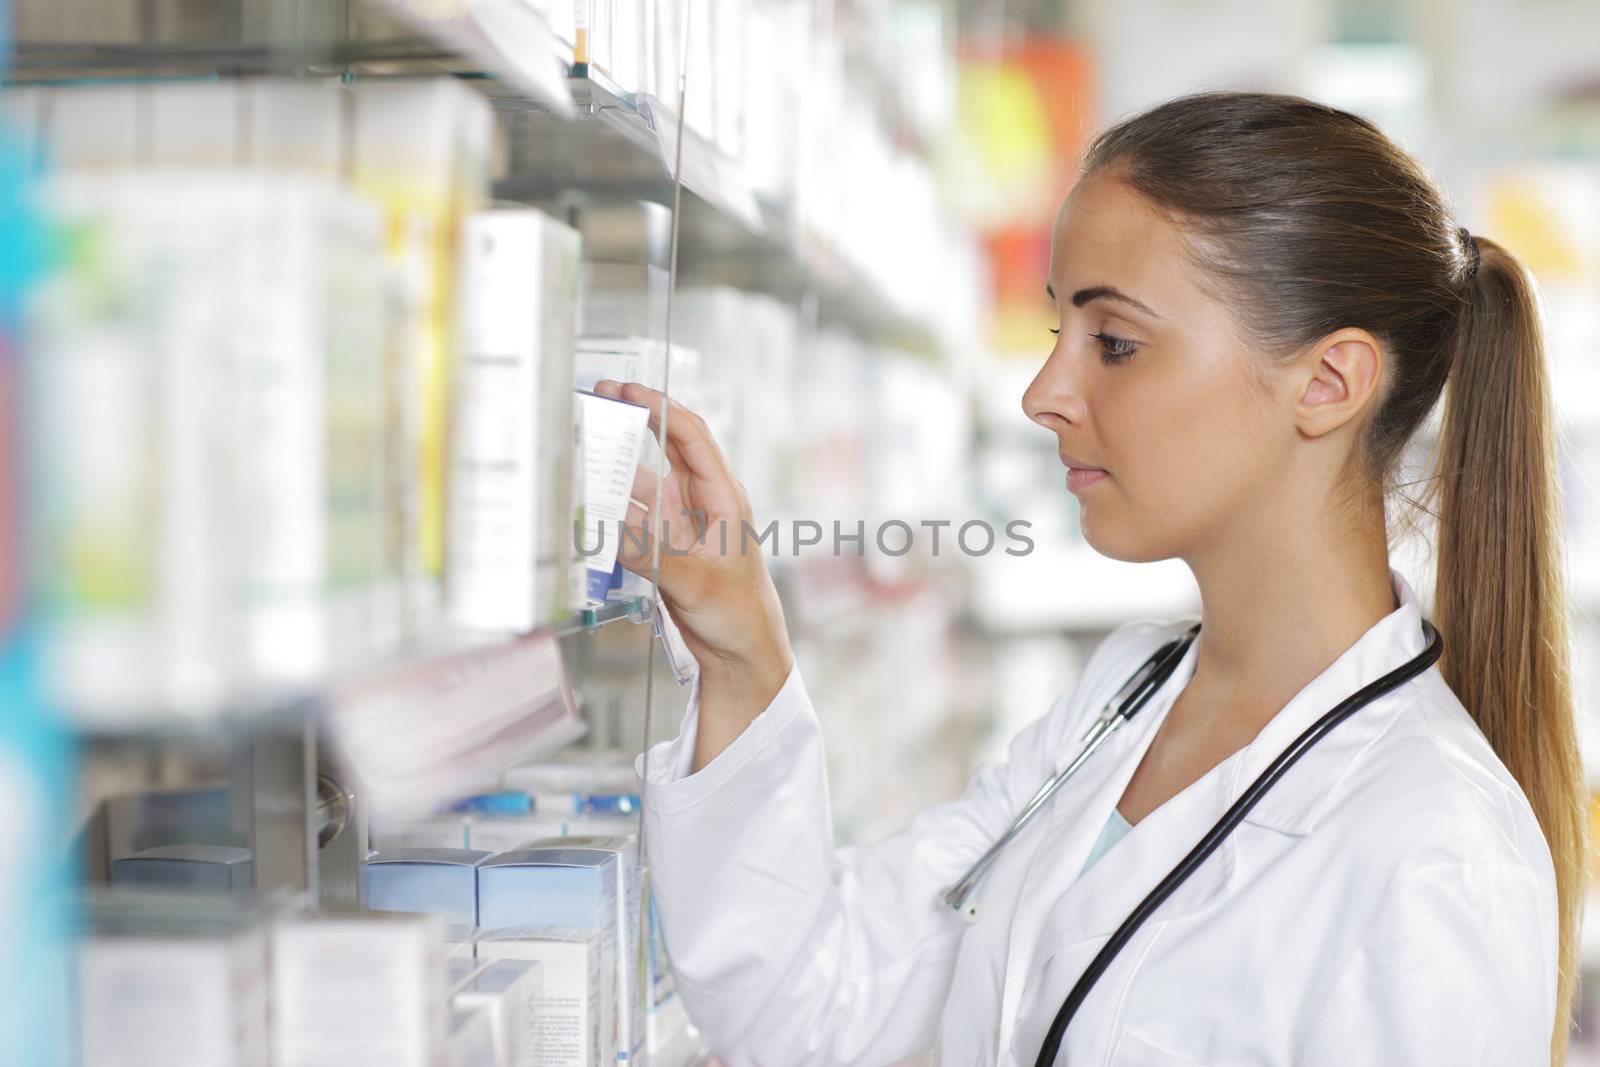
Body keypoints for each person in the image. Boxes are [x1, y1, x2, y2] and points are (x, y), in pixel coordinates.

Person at [592, 89, 1583, 1067]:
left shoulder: (1438, 852)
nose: (1042, 392)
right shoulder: (1126, 695)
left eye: (1114, 343)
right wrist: (742, 645)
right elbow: (809, 1004)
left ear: (1326, 384)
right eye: (1058, 329)